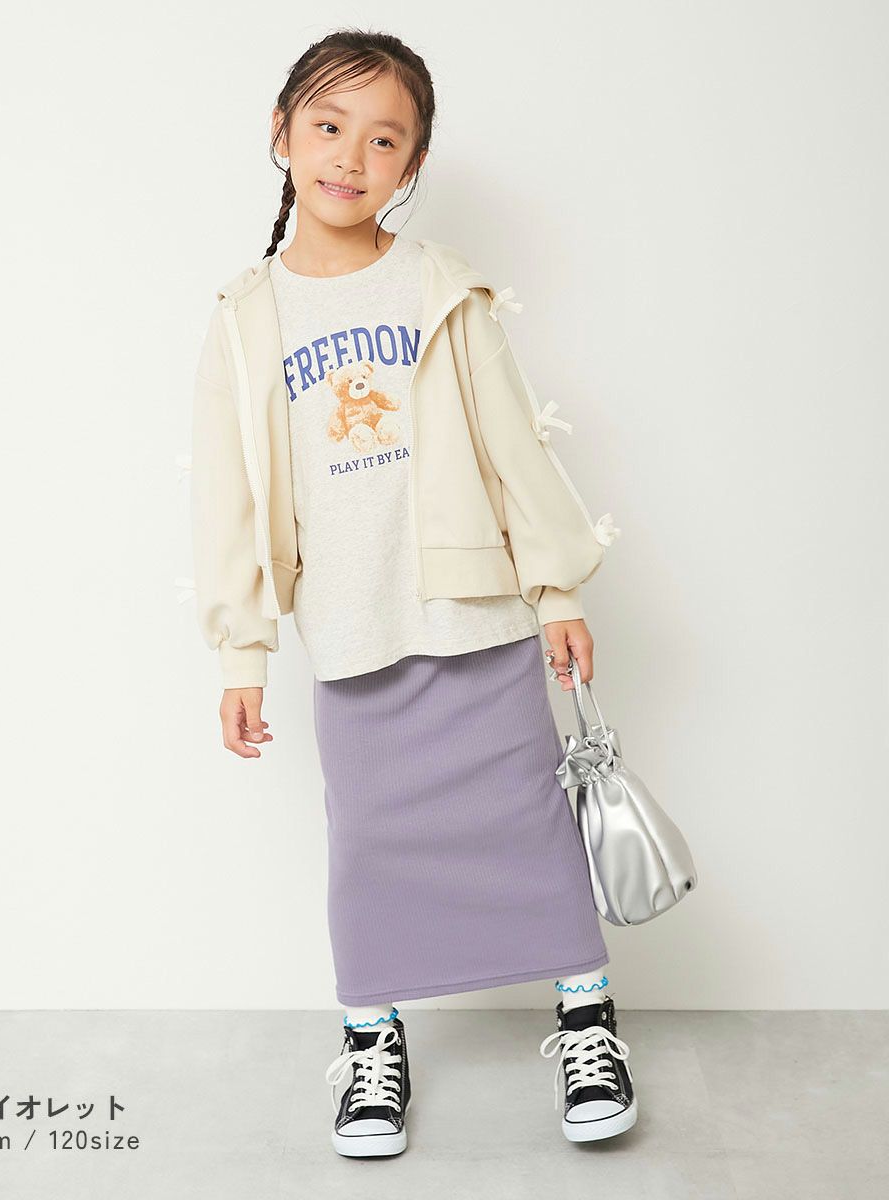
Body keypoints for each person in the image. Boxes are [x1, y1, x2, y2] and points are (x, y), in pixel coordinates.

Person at [187, 27, 638, 1158]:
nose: (351, 155)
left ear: (414, 163)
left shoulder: (441, 287)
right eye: (328, 125)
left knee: (528, 821)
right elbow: (227, 496)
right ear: (281, 134)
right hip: (347, 623)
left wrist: (556, 590)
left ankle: (586, 1021)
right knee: (368, 844)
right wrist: (242, 654)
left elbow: (509, 447)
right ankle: (371, 1044)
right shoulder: (245, 319)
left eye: (384, 139)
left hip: (475, 611)